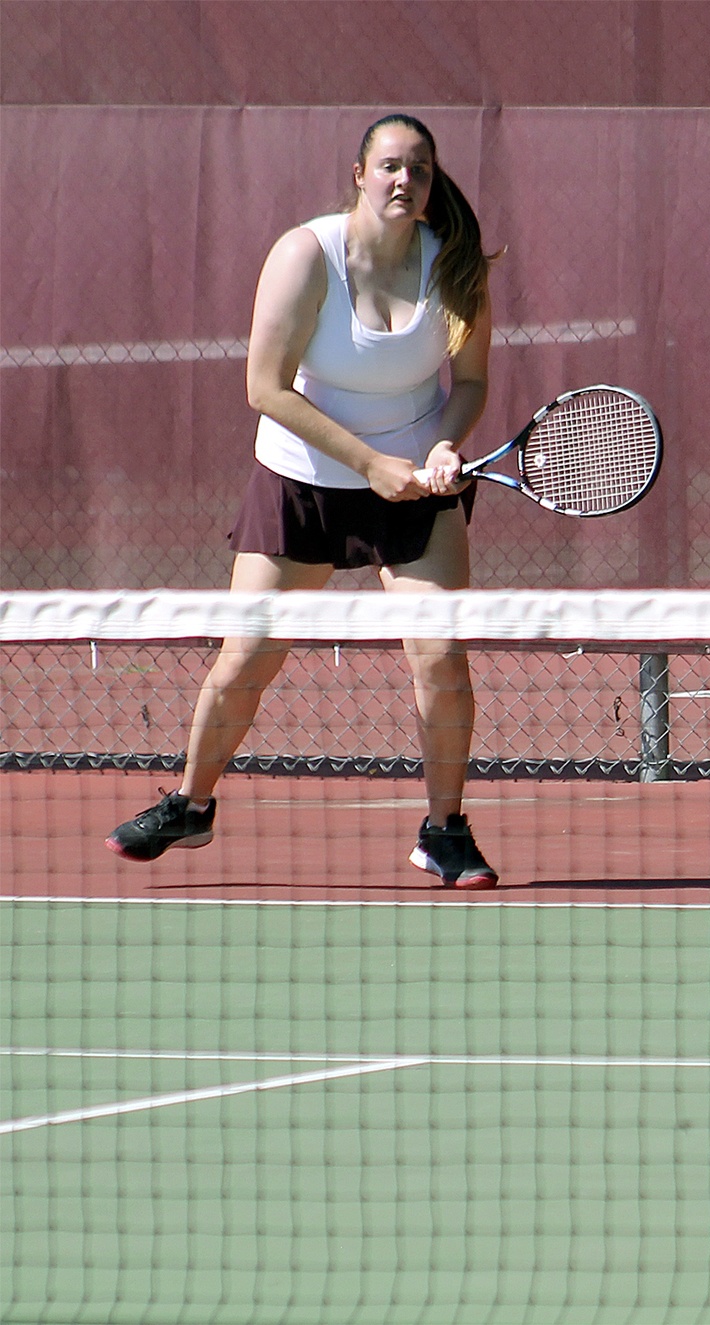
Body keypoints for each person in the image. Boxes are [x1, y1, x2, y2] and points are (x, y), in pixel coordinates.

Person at [105, 113, 500, 888]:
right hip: (301, 480)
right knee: (248, 658)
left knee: (443, 660)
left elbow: (472, 382)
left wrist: (444, 446)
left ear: (430, 184)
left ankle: (445, 829)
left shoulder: (453, 267)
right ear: (359, 173)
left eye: (419, 170)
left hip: (414, 492)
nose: (403, 181)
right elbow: (264, 388)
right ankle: (190, 804)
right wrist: (369, 463)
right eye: (389, 166)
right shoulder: (305, 255)